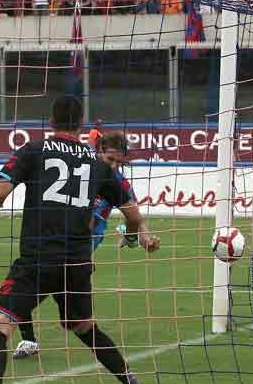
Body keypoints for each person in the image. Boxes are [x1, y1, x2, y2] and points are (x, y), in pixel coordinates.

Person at [0, 97, 169, 384]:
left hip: (40, 258)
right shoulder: (97, 164)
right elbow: (130, 207)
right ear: (81, 124)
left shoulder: (34, 150)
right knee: (86, 328)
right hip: (78, 264)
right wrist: (140, 234)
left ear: (51, 120)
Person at [12, 131, 151, 359]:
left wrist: (142, 235)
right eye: (110, 160)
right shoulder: (82, 171)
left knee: (30, 285)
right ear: (99, 153)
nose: (115, 166)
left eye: (119, 162)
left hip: (85, 241)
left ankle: (34, 336)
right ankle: (28, 339)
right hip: (59, 239)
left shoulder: (117, 181)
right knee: (30, 286)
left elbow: (134, 213)